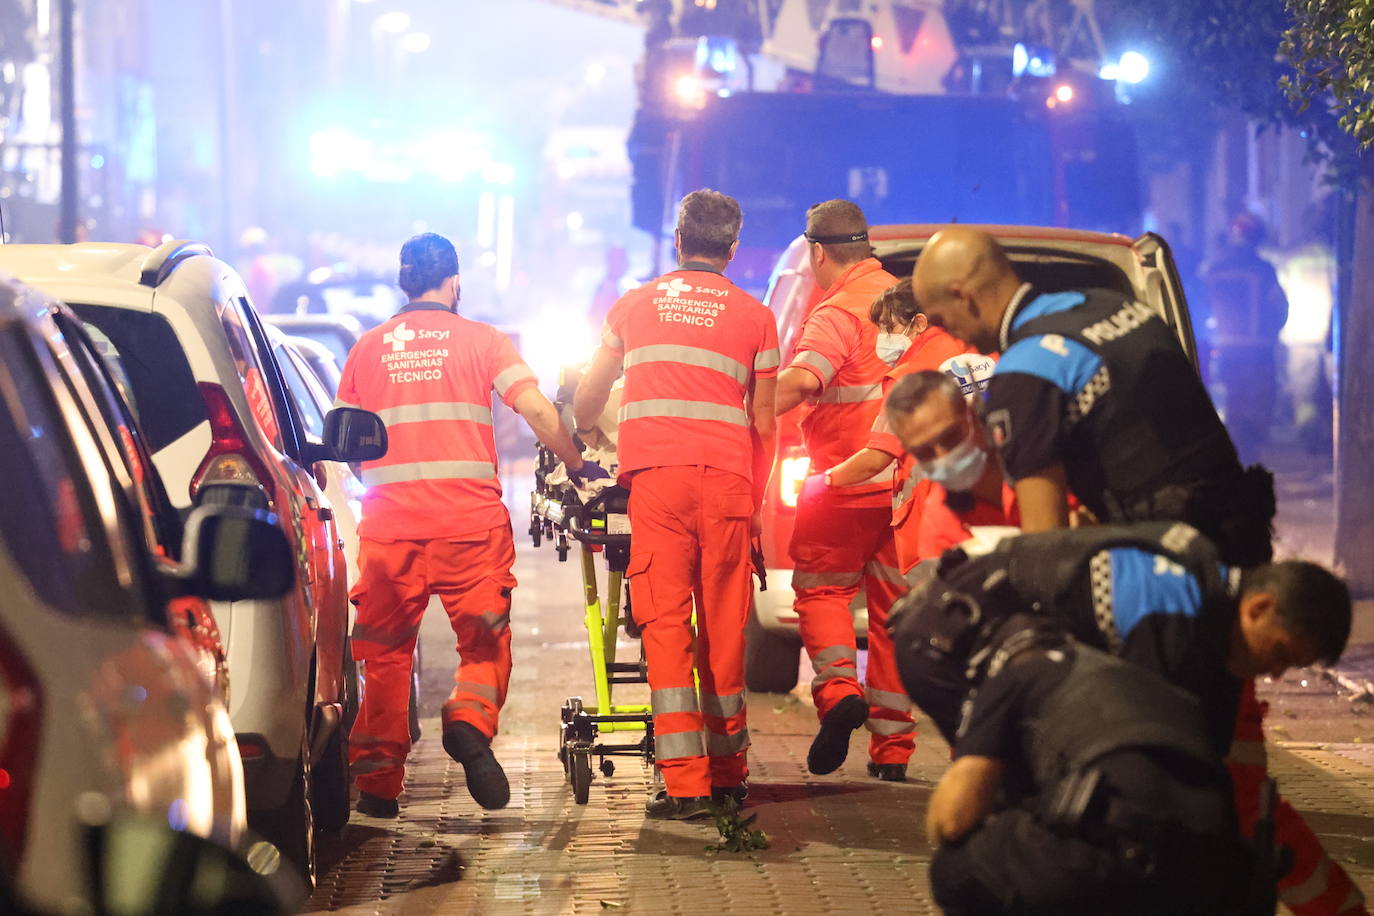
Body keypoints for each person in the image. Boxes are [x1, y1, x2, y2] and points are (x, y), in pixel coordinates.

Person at [891, 523, 1365, 915]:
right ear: (1259, 608)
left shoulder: (1208, 615)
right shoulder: (1166, 622)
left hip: (1016, 652)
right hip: (944, 648)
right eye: (1280, 653)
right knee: (1005, 841)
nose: (1276, 673)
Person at [338, 232, 604, 818]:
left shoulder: (365, 350)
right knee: (484, 645)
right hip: (469, 527)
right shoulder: (483, 341)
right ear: (454, 282)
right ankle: (468, 719)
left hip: (390, 531)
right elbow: (535, 409)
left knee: (384, 655)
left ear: (403, 282)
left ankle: (378, 787)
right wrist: (578, 462)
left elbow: (348, 441)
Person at [574, 189, 779, 820]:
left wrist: (593, 435)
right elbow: (766, 424)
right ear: (733, 250)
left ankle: (685, 782)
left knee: (664, 622)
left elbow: (587, 402)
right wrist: (755, 499)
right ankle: (728, 774)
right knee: (723, 624)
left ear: (678, 240)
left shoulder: (632, 306)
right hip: (727, 484)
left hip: (656, 483)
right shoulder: (757, 317)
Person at [911, 226, 1273, 567]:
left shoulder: (1024, 371)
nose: (955, 336)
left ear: (963, 296)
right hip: (1242, 528)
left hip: (1177, 567)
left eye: (944, 320)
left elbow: (1046, 545)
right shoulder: (1111, 305)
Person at [927, 635, 1254, 915]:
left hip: (1113, 852)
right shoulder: (1157, 686)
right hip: (1212, 869)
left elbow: (953, 820)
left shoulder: (1018, 673)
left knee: (954, 871)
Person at [773, 200, 915, 780]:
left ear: (818, 252)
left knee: (822, 593)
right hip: (904, 491)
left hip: (842, 484)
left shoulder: (834, 312)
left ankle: (837, 692)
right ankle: (894, 753)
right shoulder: (908, 303)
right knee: (894, 616)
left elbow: (804, 380)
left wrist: (742, 405)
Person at [823, 280, 985, 577]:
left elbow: (877, 456)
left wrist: (824, 481)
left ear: (919, 323)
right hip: (984, 514)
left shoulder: (909, 377)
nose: (883, 338)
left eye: (889, 328)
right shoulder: (972, 351)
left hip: (932, 520)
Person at [883, 369, 1015, 569]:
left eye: (950, 438)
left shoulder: (1032, 460)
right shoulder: (938, 530)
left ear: (971, 416)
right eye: (924, 452)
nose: (944, 458)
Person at [1202, 212, 1291, 464]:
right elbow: (1280, 306)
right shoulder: (1263, 269)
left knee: (1235, 397)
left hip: (1228, 345)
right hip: (1258, 347)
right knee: (1260, 398)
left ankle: (1237, 450)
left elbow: (1205, 303)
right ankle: (1250, 449)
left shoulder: (1215, 269)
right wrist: (1272, 331)